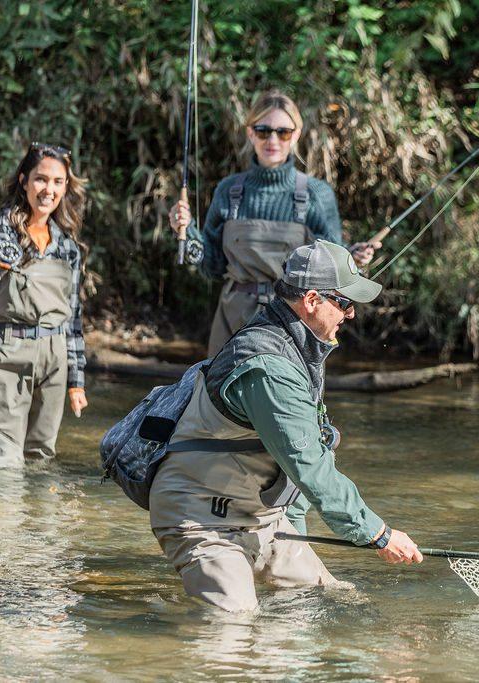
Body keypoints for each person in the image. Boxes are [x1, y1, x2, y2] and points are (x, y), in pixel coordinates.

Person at [149, 240, 421, 612]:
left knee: (332, 601)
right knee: (235, 627)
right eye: (343, 302)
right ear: (311, 301)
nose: (352, 314)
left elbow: (298, 464)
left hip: (259, 519)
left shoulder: (302, 345)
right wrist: (377, 533)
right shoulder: (271, 366)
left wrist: (297, 534)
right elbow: (309, 465)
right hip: (202, 518)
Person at [169, 90, 379, 355]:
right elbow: (212, 267)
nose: (272, 140)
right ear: (250, 133)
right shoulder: (228, 191)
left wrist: (354, 259)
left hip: (293, 320)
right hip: (232, 321)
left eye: (283, 132)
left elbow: (332, 266)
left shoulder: (316, 194)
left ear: (297, 135)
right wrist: (186, 231)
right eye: (263, 130)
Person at [0, 142, 89, 468]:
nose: (49, 189)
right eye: (41, 179)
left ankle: (40, 522)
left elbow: (72, 319)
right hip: (5, 354)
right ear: (23, 181)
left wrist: (76, 381)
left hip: (54, 360)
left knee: (41, 460)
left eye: (58, 182)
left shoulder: (67, 244)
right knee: (1, 461)